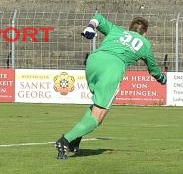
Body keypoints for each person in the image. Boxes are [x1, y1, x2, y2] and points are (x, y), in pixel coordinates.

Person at [55, 12, 167, 160]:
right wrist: (161, 78)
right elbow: (153, 70)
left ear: (129, 28)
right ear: (145, 32)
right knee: (98, 117)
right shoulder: (145, 44)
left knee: (97, 104)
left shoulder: (117, 30)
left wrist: (90, 27)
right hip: (112, 68)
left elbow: (98, 18)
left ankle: (76, 140)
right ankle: (65, 141)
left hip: (94, 61)